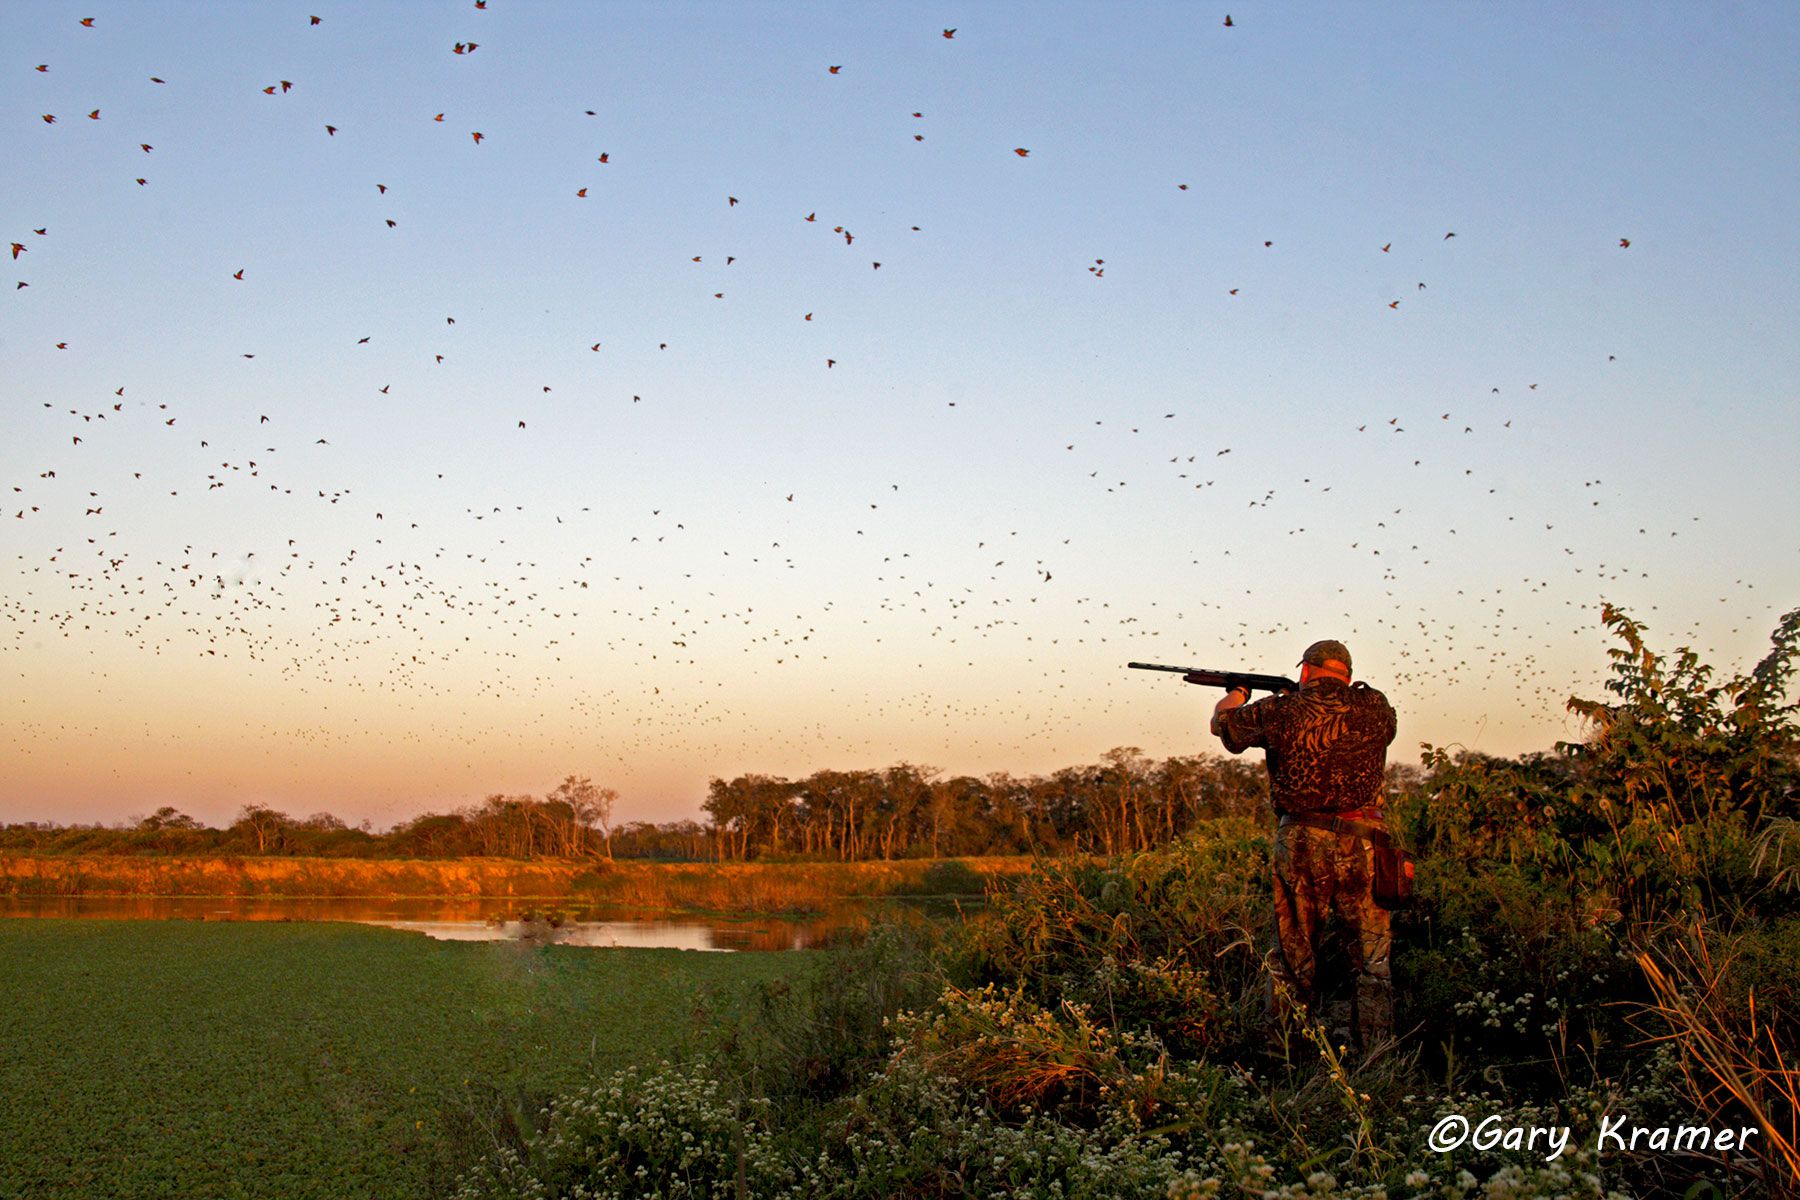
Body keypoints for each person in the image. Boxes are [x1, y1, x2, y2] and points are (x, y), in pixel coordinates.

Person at [1210, 639, 1398, 1050]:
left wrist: (1236, 694)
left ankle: (1285, 1050)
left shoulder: (1280, 711)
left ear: (1307, 670)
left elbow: (1225, 728)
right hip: (1366, 840)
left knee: (1294, 948)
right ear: (1346, 673)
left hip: (1301, 837)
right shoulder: (1376, 707)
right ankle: (1376, 1054)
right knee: (1372, 956)